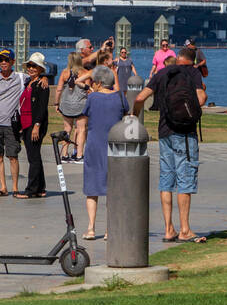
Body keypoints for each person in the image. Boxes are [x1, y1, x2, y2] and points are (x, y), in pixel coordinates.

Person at [134, 45, 207, 244]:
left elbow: (140, 97)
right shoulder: (193, 73)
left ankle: (168, 229)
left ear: (177, 57)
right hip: (185, 132)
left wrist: (133, 115)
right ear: (192, 60)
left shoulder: (162, 73)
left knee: (166, 178)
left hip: (164, 131)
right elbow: (202, 98)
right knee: (185, 178)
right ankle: (185, 229)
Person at [81, 65, 128, 240]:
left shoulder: (92, 98)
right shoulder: (121, 98)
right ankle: (110, 229)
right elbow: (126, 113)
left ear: (99, 82)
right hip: (114, 146)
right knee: (113, 189)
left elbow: (85, 117)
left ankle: (91, 227)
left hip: (94, 145)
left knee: (92, 189)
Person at [17, 52, 51, 198]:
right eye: (29, 66)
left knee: (33, 157)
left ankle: (31, 190)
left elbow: (42, 107)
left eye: (34, 66)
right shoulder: (27, 82)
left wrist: (36, 125)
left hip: (34, 124)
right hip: (25, 123)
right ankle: (40, 188)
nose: (31, 68)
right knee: (35, 156)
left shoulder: (41, 85)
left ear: (40, 69)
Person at [55, 52, 91, 162]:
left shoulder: (64, 73)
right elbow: (88, 90)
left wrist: (56, 103)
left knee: (67, 129)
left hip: (66, 104)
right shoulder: (85, 73)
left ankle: (64, 154)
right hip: (80, 104)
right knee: (81, 129)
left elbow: (59, 89)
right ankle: (79, 155)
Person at [0, 49, 25, 198]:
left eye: (6, 60)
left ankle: (15, 188)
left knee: (13, 156)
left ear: (13, 62)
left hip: (11, 124)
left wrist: (44, 79)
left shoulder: (21, 78)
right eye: (1, 60)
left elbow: (36, 78)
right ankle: (3, 187)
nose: (3, 62)